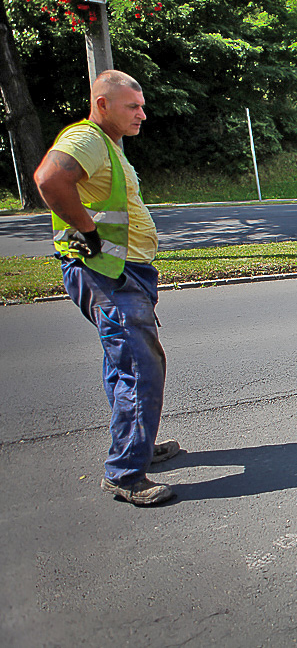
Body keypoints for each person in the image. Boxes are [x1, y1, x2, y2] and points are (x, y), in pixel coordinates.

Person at [33, 70, 179, 506]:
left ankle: (136, 446)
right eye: (132, 106)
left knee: (124, 365)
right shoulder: (88, 139)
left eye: (141, 105)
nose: (142, 114)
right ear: (102, 105)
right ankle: (125, 474)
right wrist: (87, 231)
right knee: (140, 367)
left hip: (121, 272)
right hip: (108, 274)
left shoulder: (109, 146)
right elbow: (48, 179)